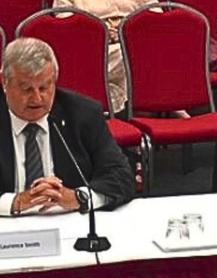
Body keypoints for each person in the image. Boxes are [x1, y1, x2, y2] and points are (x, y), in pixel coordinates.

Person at [0, 38, 135, 216]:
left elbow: (121, 177)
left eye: (44, 87)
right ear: (4, 82)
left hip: (67, 224)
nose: (37, 99)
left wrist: (79, 198)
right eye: (26, 89)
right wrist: (16, 202)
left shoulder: (82, 114)